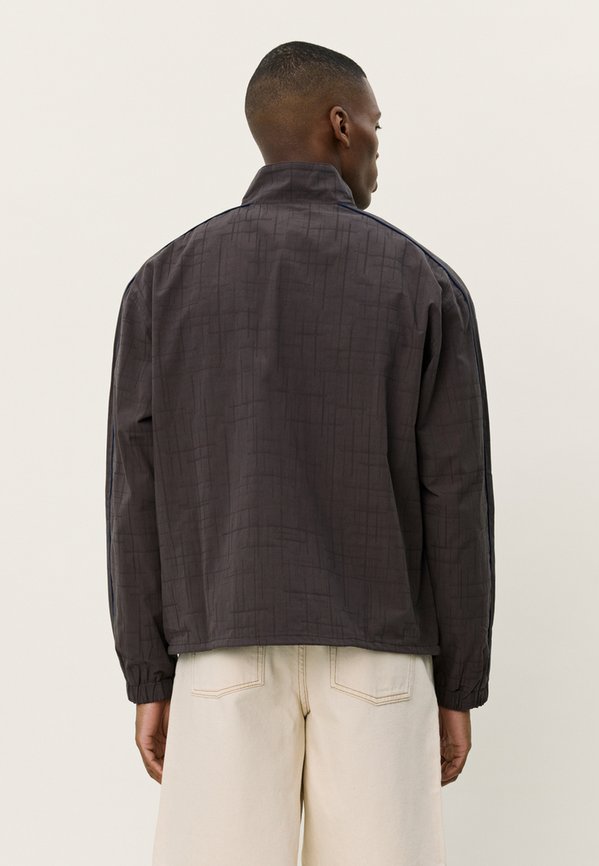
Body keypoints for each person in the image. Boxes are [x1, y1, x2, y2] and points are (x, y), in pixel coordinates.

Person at [105, 40, 496, 866]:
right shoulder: (422, 283)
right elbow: (456, 496)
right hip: (380, 654)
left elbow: (135, 494)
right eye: (377, 126)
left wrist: (150, 676)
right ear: (340, 124)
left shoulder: (162, 285)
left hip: (222, 646)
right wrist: (458, 685)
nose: (379, 147)